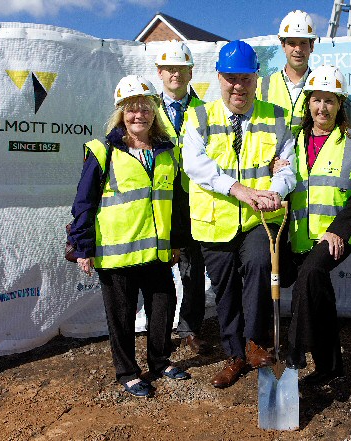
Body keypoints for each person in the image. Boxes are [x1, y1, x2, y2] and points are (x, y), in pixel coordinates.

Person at [182, 40, 296, 388]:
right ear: (219, 77)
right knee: (226, 289)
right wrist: (238, 189)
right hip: (215, 222)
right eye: (231, 77)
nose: (238, 86)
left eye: (245, 78)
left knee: (262, 265)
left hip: (259, 221)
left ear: (256, 79)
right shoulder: (199, 116)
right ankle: (234, 354)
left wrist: (275, 191)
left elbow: (289, 169)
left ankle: (254, 342)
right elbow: (194, 164)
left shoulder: (276, 117)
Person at [68, 75, 190, 398]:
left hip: (157, 253)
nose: (140, 115)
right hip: (116, 255)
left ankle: (160, 361)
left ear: (155, 111)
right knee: (121, 318)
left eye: (146, 108)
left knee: (164, 307)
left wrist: (176, 241)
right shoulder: (102, 151)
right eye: (132, 109)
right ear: (121, 113)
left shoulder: (167, 152)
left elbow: (176, 202)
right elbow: (83, 202)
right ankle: (127, 372)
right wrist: (83, 247)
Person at [281, 65, 351, 385]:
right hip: (299, 235)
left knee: (310, 274)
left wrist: (339, 231)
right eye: (316, 100)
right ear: (308, 103)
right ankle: (331, 367)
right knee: (319, 292)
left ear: (340, 104)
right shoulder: (291, 140)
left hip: (338, 236)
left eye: (330, 101)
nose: (322, 107)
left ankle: (294, 350)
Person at [155, 40, 208, 355]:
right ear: (160, 72)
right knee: (158, 270)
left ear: (190, 72)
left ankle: (190, 329)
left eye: (181, 68)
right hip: (159, 201)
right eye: (169, 68)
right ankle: (160, 332)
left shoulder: (204, 111)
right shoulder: (148, 109)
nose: (175, 74)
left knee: (193, 271)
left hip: (193, 200)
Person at [256, 9, 316, 137]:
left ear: (312, 46)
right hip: (271, 156)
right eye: (292, 43)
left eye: (303, 43)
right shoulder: (261, 86)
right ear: (283, 46)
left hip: (310, 157)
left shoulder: (321, 85)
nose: (298, 49)